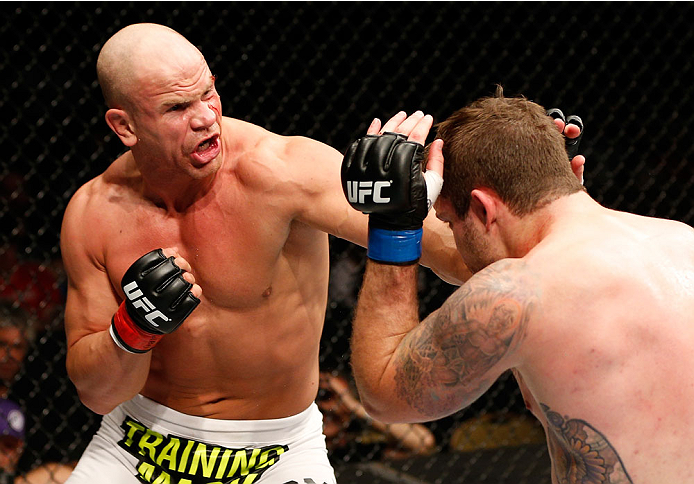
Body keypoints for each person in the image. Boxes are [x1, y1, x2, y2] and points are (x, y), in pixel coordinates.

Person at [59, 23, 471, 484]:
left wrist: (544, 207)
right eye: (177, 107)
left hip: (276, 452)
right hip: (138, 444)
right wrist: (132, 328)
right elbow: (95, 393)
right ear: (125, 126)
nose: (205, 118)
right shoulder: (92, 214)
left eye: (208, 92)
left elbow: (453, 256)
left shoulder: (280, 172)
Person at [343, 88, 694, 483]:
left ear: (481, 208)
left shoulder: (515, 291)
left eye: (448, 222)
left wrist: (394, 227)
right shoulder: (684, 240)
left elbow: (383, 394)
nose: (453, 239)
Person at [317, 371, 435, 462]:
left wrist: (354, 407)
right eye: (319, 396)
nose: (323, 406)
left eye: (331, 396)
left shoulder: (359, 444)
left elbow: (424, 442)